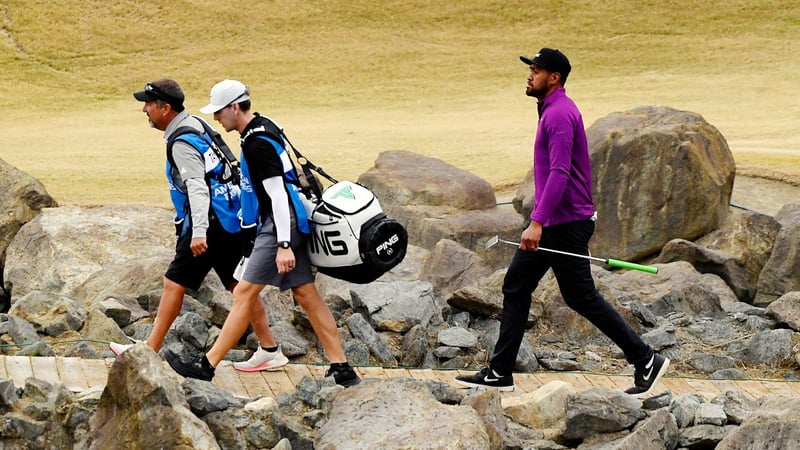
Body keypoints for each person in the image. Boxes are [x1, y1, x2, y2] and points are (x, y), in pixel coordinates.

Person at [455, 49, 669, 397]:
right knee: (518, 286)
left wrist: (537, 221)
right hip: (558, 220)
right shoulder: (553, 109)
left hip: (564, 223)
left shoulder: (558, 114)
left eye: (536, 70)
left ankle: (645, 358)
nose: (529, 75)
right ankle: (500, 372)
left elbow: (559, 172)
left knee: (580, 296)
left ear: (554, 78)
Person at [165, 79, 360, 387]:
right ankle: (342, 368)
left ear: (234, 107)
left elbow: (278, 194)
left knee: (243, 293)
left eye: (219, 112)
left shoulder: (256, 145)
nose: (216, 119)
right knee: (306, 294)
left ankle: (206, 366)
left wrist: (283, 244)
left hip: (279, 225)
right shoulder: (266, 126)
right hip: (292, 220)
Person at [111, 79, 289, 374]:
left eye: (148, 104)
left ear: (165, 108)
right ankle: (269, 350)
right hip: (228, 217)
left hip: (208, 223)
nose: (144, 109)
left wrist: (198, 232)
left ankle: (147, 350)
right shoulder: (195, 124)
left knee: (174, 282)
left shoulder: (181, 141)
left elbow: (197, 187)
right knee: (238, 286)